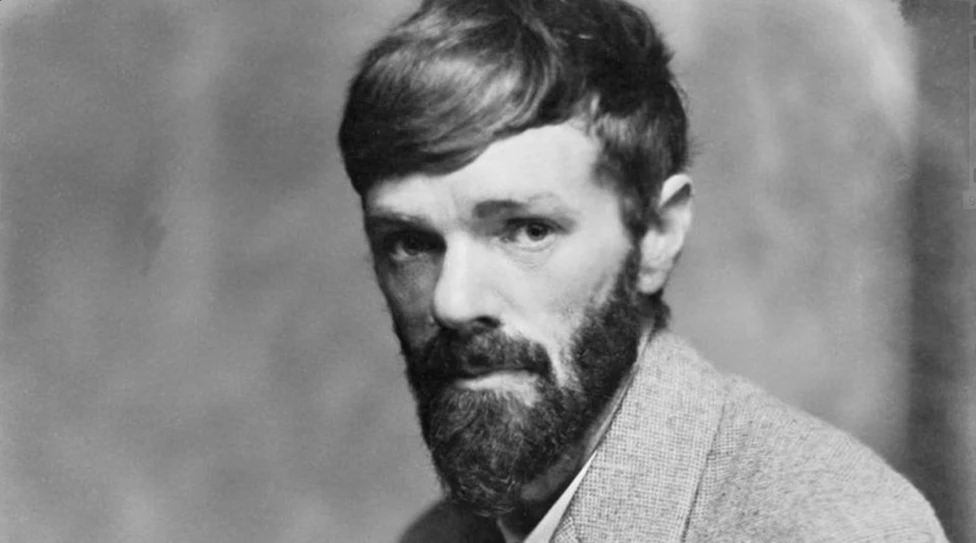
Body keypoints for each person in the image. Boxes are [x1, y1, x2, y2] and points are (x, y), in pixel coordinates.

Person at [337, 0, 948, 540]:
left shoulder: (834, 528)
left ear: (657, 234)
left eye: (528, 231)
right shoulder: (440, 536)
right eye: (410, 243)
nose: (453, 300)